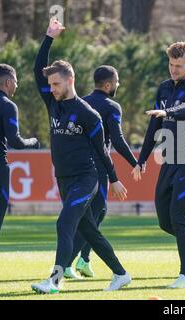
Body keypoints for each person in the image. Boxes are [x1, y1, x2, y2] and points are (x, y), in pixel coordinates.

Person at [31, 18, 132, 294]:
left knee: (64, 223)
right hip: (63, 179)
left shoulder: (89, 113)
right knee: (89, 231)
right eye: (50, 84)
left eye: (56, 83)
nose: (51, 88)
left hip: (85, 179)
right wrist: (49, 37)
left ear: (70, 80)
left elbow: (102, 150)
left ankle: (54, 281)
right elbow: (37, 69)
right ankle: (121, 274)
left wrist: (114, 179)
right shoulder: (53, 103)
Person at [132, 41, 185, 289]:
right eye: (171, 64)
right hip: (169, 162)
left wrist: (168, 112)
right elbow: (153, 127)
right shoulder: (163, 88)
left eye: (179, 66)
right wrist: (142, 160)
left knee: (180, 220)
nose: (174, 70)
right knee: (165, 222)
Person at [64, 65, 139, 279]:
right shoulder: (111, 106)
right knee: (92, 216)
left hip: (77, 164)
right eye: (116, 82)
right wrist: (134, 162)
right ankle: (68, 263)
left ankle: (84, 259)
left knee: (98, 212)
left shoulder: (81, 102)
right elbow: (117, 140)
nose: (118, 84)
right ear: (107, 85)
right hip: (97, 168)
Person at [0, 64, 40, 283]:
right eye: (15, 81)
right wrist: (33, 142)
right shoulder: (7, 105)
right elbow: (15, 141)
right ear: (7, 82)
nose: (16, 85)